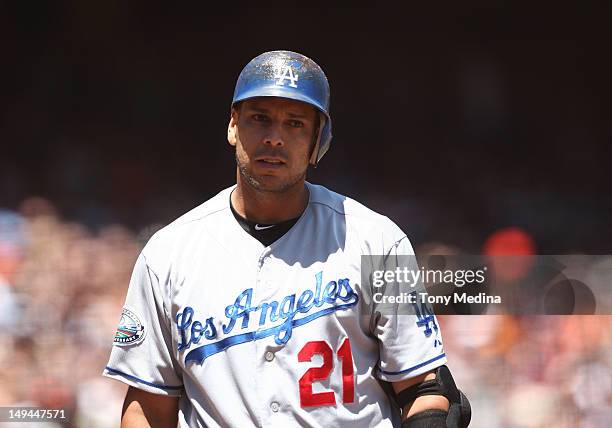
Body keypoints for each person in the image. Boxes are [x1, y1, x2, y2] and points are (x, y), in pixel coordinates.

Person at [103, 50, 470, 427]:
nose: (274, 138)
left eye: (295, 124)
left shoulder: (378, 243)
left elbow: (423, 387)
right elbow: (147, 404)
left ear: (318, 141)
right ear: (233, 125)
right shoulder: (168, 255)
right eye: (260, 118)